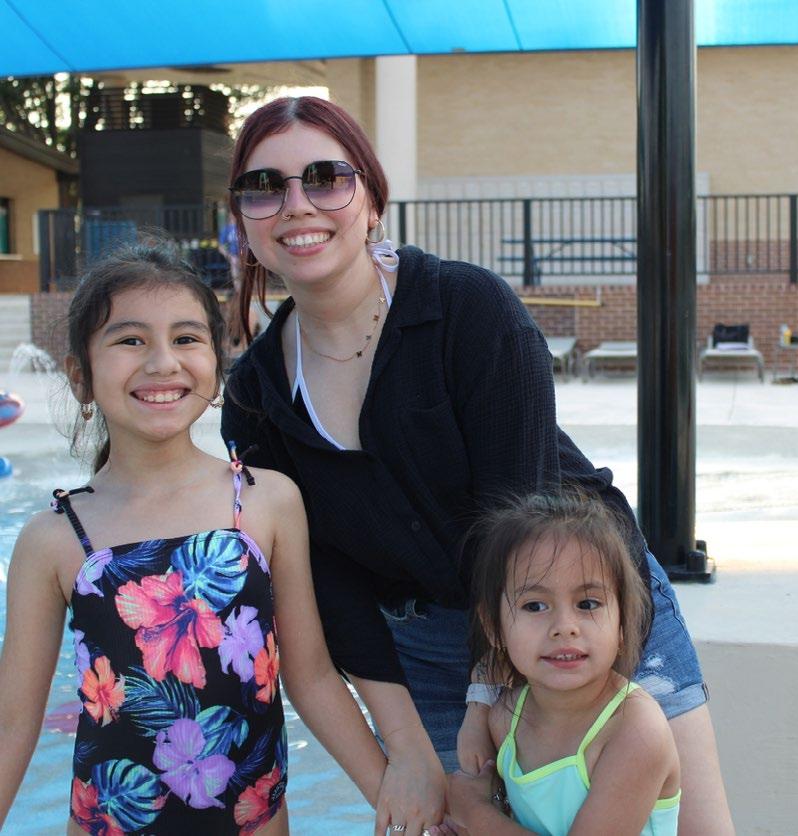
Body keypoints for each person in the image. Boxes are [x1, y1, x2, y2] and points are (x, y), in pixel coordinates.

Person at [220, 95, 734, 835]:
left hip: (582, 604)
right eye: (264, 186)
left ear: (372, 201)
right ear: (242, 220)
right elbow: (332, 586)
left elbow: (521, 520)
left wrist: (487, 693)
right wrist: (402, 746)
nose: (297, 204)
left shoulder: (467, 308)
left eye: (326, 178)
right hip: (428, 652)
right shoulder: (256, 398)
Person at [0, 241, 387, 835]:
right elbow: (13, 724)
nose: (163, 363)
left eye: (186, 338)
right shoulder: (54, 537)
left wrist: (394, 796)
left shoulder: (265, 501)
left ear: (216, 361)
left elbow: (310, 678)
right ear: (80, 376)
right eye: (130, 341)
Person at [445, 491, 680, 834]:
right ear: (493, 627)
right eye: (535, 606)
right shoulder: (506, 719)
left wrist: (473, 811)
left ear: (623, 624)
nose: (564, 627)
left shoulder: (635, 730)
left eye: (587, 604)